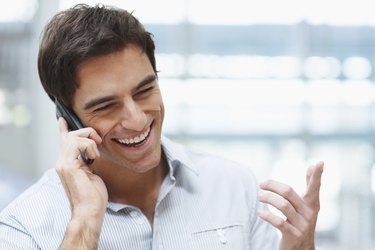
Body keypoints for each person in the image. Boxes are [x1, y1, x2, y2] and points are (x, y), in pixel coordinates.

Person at [0, 3, 324, 250]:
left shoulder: (233, 186)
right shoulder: (23, 225)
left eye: (144, 90)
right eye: (106, 105)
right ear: (68, 117)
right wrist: (84, 222)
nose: (138, 119)